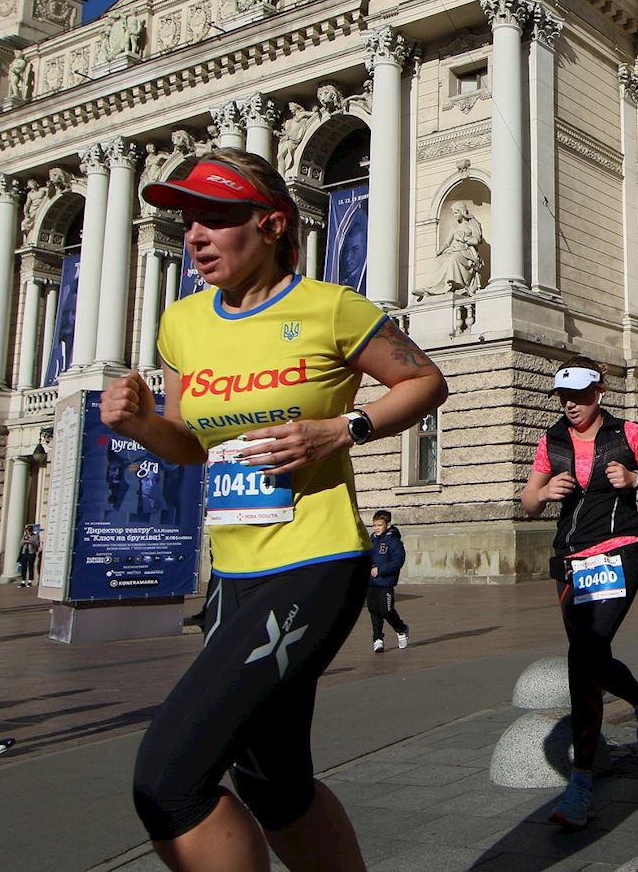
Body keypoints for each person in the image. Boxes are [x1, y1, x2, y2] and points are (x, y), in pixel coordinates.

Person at [103, 148, 447, 872]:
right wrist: (139, 425)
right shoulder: (183, 323)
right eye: (190, 218)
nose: (195, 234)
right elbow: (190, 444)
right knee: (271, 779)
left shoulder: (331, 307)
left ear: (271, 223)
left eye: (217, 218)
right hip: (232, 569)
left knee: (169, 779)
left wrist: (342, 428)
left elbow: (424, 381)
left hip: (316, 562)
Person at [521, 357, 638, 830]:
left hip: (617, 554)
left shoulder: (631, 434)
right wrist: (545, 493)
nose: (571, 405)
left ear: (600, 393)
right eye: (564, 397)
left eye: (580, 395)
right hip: (570, 561)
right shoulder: (551, 441)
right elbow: (527, 502)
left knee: (585, 653)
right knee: (589, 654)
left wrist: (636, 481)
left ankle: (581, 781)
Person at [366, 510, 409, 652]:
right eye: (374, 525)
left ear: (388, 525)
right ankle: (378, 638)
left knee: (386, 610)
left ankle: (401, 629)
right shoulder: (371, 540)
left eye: (379, 525)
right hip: (371, 583)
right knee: (374, 611)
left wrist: (380, 570)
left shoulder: (393, 541)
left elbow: (398, 561)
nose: (376, 528)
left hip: (386, 582)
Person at [18, 524, 41, 588]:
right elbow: (21, 543)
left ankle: (30, 581)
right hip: (24, 552)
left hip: (31, 552)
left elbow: (37, 544)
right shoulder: (25, 536)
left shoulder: (35, 536)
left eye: (29, 530)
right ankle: (23, 581)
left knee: (30, 567)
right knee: (23, 567)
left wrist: (30, 542)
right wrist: (24, 541)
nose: (28, 531)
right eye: (27, 530)